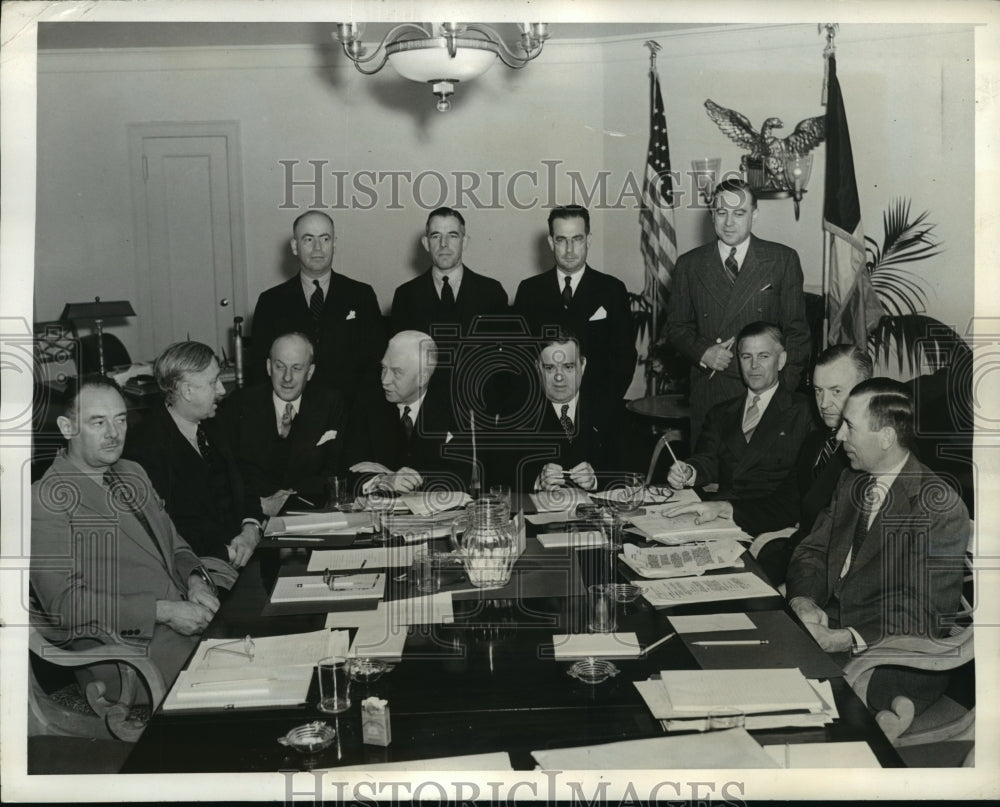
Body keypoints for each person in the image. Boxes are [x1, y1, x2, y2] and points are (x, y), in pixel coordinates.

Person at [786, 379, 968, 714]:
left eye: (850, 427)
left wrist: (844, 637)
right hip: (827, 628)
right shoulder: (852, 478)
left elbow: (926, 617)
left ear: (885, 437)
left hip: (892, 659)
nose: (839, 436)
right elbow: (811, 552)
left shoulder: (939, 507)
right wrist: (804, 601)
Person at [31, 375, 219, 700]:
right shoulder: (45, 499)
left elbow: (175, 545)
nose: (114, 434)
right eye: (97, 422)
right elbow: (65, 605)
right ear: (66, 427)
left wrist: (195, 581)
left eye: (120, 420)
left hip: (185, 619)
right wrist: (164, 611)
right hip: (125, 654)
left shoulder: (132, 471)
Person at [666, 343, 873, 585]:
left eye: (836, 391)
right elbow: (786, 502)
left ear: (865, 390)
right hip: (800, 555)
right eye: (818, 391)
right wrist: (723, 509)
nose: (824, 403)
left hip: (828, 575)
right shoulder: (818, 439)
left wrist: (800, 592)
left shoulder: (871, 454)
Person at [663, 179, 811, 440]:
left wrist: (782, 390)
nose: (729, 222)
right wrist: (703, 352)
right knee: (710, 474)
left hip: (764, 394)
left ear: (754, 215)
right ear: (712, 215)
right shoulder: (689, 264)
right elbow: (677, 328)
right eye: (722, 213)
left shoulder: (782, 260)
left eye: (739, 213)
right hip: (710, 391)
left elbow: (796, 334)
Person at [125, 341, 263, 569]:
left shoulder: (216, 424)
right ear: (186, 391)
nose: (221, 390)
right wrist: (227, 553)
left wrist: (251, 529)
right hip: (196, 570)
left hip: (244, 556)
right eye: (213, 382)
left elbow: (246, 485)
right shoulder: (145, 449)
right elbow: (166, 532)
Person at [665, 322, 814, 507]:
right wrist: (688, 471)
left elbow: (806, 484)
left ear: (781, 360)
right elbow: (707, 459)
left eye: (763, 356)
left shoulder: (804, 411)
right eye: (746, 357)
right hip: (721, 513)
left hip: (775, 518)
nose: (753, 366)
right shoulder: (721, 412)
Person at [250, 211, 386, 402]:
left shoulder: (361, 295)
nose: (317, 248)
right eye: (308, 239)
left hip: (350, 414)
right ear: (295, 246)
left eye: (325, 238)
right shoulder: (271, 301)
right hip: (294, 415)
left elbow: (376, 363)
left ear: (334, 244)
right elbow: (259, 371)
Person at [513, 205, 636, 401]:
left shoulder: (612, 290)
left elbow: (624, 358)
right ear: (551, 242)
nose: (569, 250)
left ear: (588, 240)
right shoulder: (529, 290)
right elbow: (520, 357)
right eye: (561, 240)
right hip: (542, 411)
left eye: (577, 239)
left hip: (596, 410)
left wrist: (602, 409)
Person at [219, 332, 347, 514]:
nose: (287, 378)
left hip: (311, 510)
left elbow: (334, 468)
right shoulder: (240, 404)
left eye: (296, 368)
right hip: (255, 511)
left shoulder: (330, 403)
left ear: (310, 372)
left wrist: (291, 498)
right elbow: (231, 472)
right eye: (280, 367)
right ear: (269, 367)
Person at [343, 330, 466, 493]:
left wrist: (390, 475)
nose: (384, 380)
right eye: (383, 368)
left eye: (396, 372)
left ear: (422, 378)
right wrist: (385, 480)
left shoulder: (455, 409)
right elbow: (348, 471)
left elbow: (460, 477)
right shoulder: (368, 404)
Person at [511, 331, 618, 494]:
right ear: (538, 367)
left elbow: (634, 470)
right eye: (550, 368)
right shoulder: (517, 415)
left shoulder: (609, 410)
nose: (559, 378)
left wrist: (596, 479)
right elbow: (496, 476)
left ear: (583, 365)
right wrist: (537, 481)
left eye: (568, 367)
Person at [389, 207, 508, 336]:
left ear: (464, 242)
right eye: (435, 236)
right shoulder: (405, 295)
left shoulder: (492, 292)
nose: (443, 243)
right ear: (426, 243)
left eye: (452, 235)